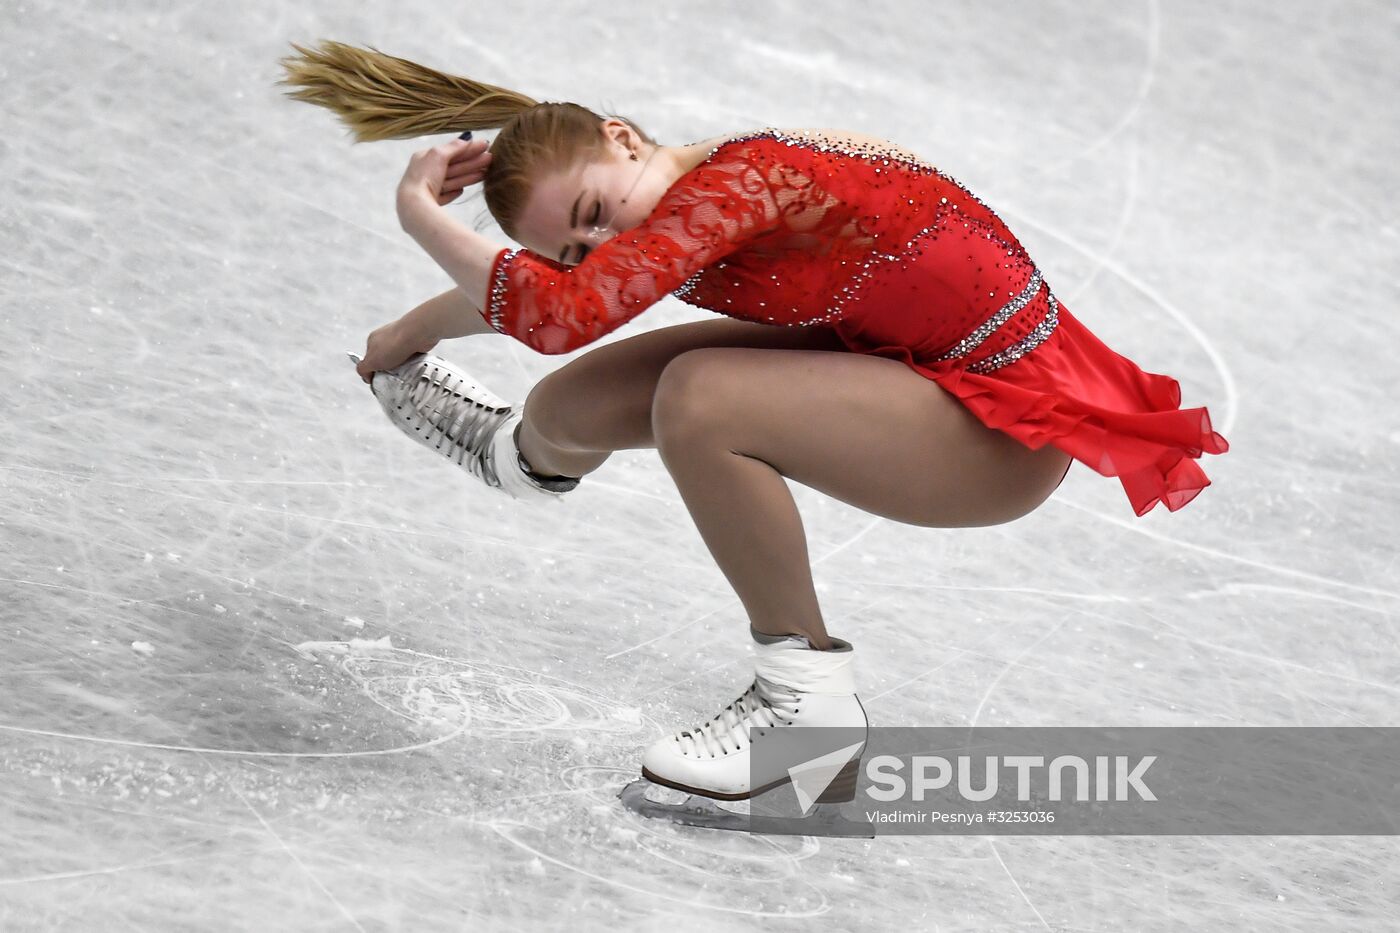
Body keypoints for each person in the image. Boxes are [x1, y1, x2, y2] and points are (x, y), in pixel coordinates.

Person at [278, 41, 1230, 805]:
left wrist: (420, 217)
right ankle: (518, 454)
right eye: (580, 243)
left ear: (622, 136)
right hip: (902, 362)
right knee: (570, 406)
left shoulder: (745, 186)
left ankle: (806, 708)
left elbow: (558, 314)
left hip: (996, 433)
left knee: (701, 397)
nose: (604, 244)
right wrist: (403, 336)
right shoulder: (686, 195)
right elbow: (562, 300)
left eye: (598, 213)